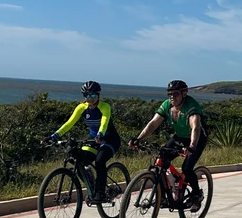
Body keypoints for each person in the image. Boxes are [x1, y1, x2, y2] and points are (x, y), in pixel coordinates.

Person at [130, 79, 209, 208]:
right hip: (180, 137)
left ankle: (196, 195)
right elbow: (153, 123)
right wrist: (138, 139)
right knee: (161, 160)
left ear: (184, 93)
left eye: (176, 94)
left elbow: (195, 127)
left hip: (197, 139)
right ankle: (163, 196)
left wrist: (192, 146)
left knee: (187, 168)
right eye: (170, 94)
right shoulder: (167, 105)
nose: (172, 97)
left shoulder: (191, 106)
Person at [48, 80, 120, 201]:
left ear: (98, 95)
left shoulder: (104, 106)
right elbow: (69, 123)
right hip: (93, 138)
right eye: (87, 95)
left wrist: (100, 134)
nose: (90, 98)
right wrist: (54, 136)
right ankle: (92, 185)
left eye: (93, 95)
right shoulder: (81, 107)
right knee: (77, 159)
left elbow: (104, 121)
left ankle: (100, 193)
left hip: (109, 139)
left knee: (100, 161)